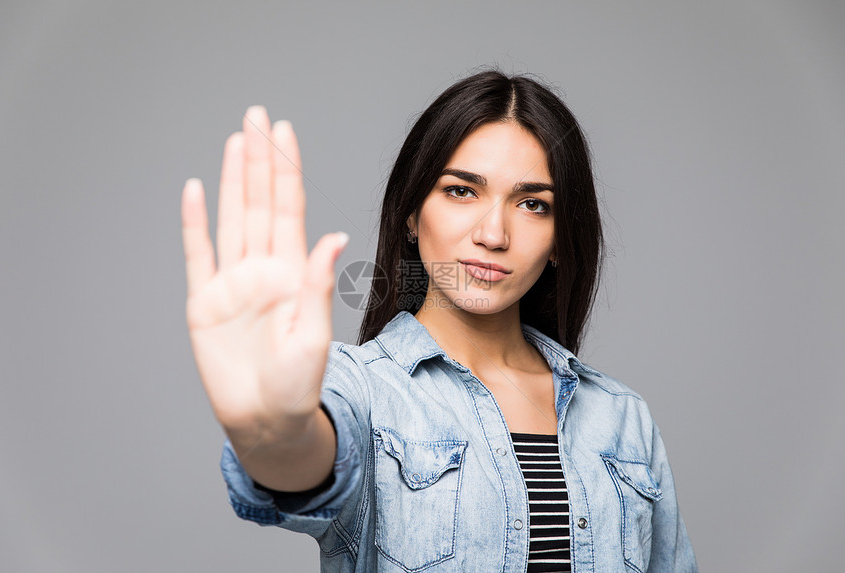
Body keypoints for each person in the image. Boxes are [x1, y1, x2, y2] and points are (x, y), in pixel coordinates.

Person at [180, 69, 698, 572]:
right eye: (461, 191)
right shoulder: (360, 389)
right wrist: (279, 432)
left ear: (562, 239)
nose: (493, 234)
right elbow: (305, 463)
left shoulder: (622, 419)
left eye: (533, 204)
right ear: (411, 213)